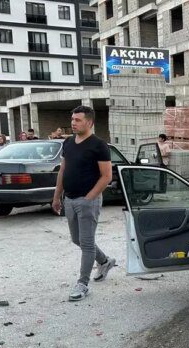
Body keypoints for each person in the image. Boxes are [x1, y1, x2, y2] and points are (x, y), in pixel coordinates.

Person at [52, 106, 115, 302]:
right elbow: (63, 170)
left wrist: (90, 198)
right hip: (69, 199)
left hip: (88, 201)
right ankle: (105, 261)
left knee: (86, 243)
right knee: (77, 239)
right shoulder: (68, 142)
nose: (73, 123)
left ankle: (82, 284)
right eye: (72, 119)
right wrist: (56, 196)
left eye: (78, 120)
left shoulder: (98, 145)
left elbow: (106, 176)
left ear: (89, 122)